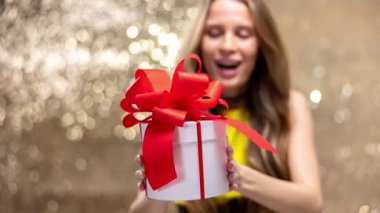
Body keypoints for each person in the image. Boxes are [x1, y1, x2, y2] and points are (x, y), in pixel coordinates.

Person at [129, 0, 323, 212]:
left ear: (262, 44)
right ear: (199, 43)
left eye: (243, 34)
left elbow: (312, 203)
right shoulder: (174, 110)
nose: (228, 46)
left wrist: (236, 176)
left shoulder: (289, 106)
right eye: (214, 32)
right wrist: (157, 188)